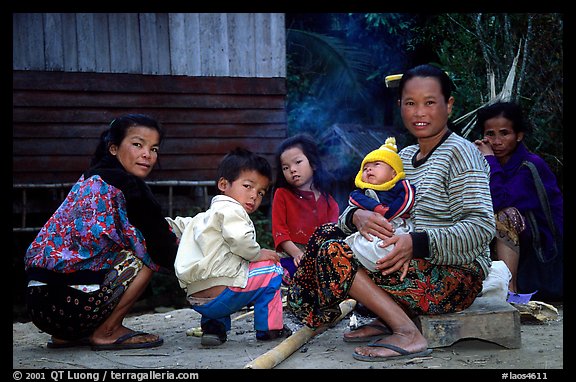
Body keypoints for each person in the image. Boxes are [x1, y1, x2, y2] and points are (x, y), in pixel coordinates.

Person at [287, 64, 496, 362]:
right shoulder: (403, 159)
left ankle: (406, 331)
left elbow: (482, 227)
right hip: (405, 258)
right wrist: (356, 217)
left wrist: (417, 243)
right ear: (400, 106)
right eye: (410, 103)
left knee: (335, 253)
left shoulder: (463, 154)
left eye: (430, 102)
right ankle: (389, 316)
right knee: (326, 235)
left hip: (455, 275)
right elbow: (361, 202)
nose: (419, 112)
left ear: (449, 105)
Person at [24, 114, 180, 350]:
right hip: (74, 306)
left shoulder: (88, 179)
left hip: (39, 306)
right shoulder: (128, 185)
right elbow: (162, 245)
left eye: (154, 148)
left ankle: (66, 337)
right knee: (145, 253)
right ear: (114, 148)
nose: (148, 155)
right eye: (138, 144)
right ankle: (108, 331)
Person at [166, 148, 291, 346]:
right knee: (273, 269)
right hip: (223, 293)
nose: (254, 197)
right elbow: (241, 240)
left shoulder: (202, 218)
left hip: (197, 299)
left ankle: (214, 329)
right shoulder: (232, 209)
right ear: (223, 184)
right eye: (248, 186)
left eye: (260, 192)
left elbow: (177, 226)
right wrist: (258, 254)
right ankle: (270, 328)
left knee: (223, 266)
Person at [474, 101, 563, 301]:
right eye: (490, 134)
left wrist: (489, 160)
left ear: (519, 135)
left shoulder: (530, 166)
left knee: (506, 215)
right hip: (516, 237)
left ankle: (510, 292)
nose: (496, 141)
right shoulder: (488, 161)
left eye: (504, 133)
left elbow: (499, 200)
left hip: (545, 243)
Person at [271, 133, 339, 282]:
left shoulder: (329, 201)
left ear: (313, 164)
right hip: (291, 254)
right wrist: (296, 253)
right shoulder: (282, 195)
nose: (292, 170)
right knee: (281, 271)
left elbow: (333, 234)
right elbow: (279, 232)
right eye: (285, 167)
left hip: (321, 256)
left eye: (298, 162)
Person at [343, 136, 415, 272]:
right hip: (371, 228)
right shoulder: (361, 193)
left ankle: (375, 261)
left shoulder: (400, 187)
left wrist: (388, 213)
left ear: (393, 173)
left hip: (396, 225)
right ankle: (360, 257)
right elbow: (353, 201)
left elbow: (407, 200)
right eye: (365, 168)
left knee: (391, 242)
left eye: (376, 165)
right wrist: (374, 208)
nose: (369, 170)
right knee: (357, 241)